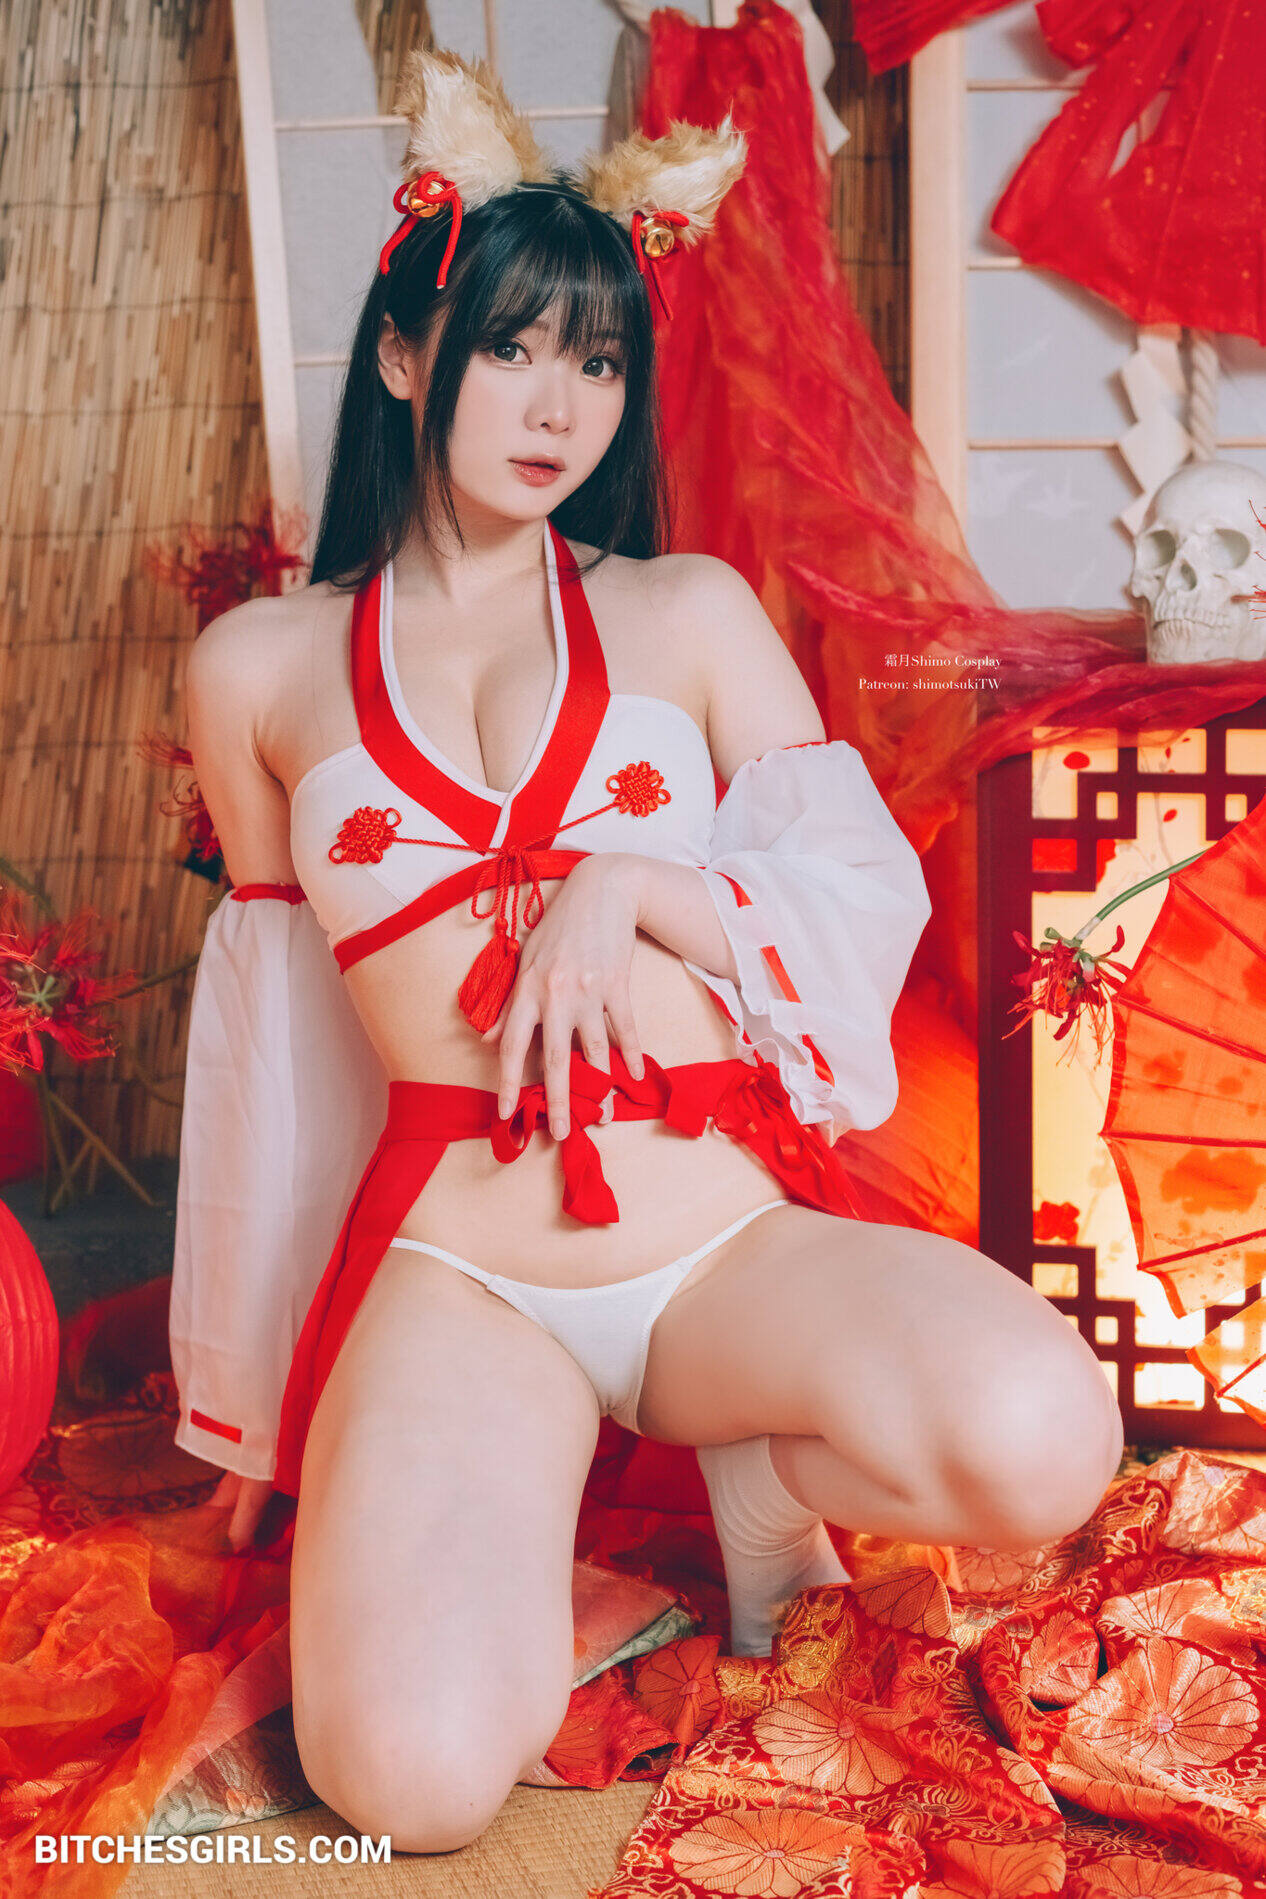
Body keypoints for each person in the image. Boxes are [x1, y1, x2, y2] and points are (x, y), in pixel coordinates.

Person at [170, 49, 1125, 1854]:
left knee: (1041, 1441)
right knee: (408, 1787)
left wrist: (632, 883)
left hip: (713, 1242)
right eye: (513, 349)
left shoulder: (686, 613)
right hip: (461, 1270)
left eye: (600, 363)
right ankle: (517, 1532)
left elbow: (854, 883)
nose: (561, 405)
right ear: (405, 359)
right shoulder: (260, 670)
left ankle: (752, 1482)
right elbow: (276, 1046)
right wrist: (248, 1405)